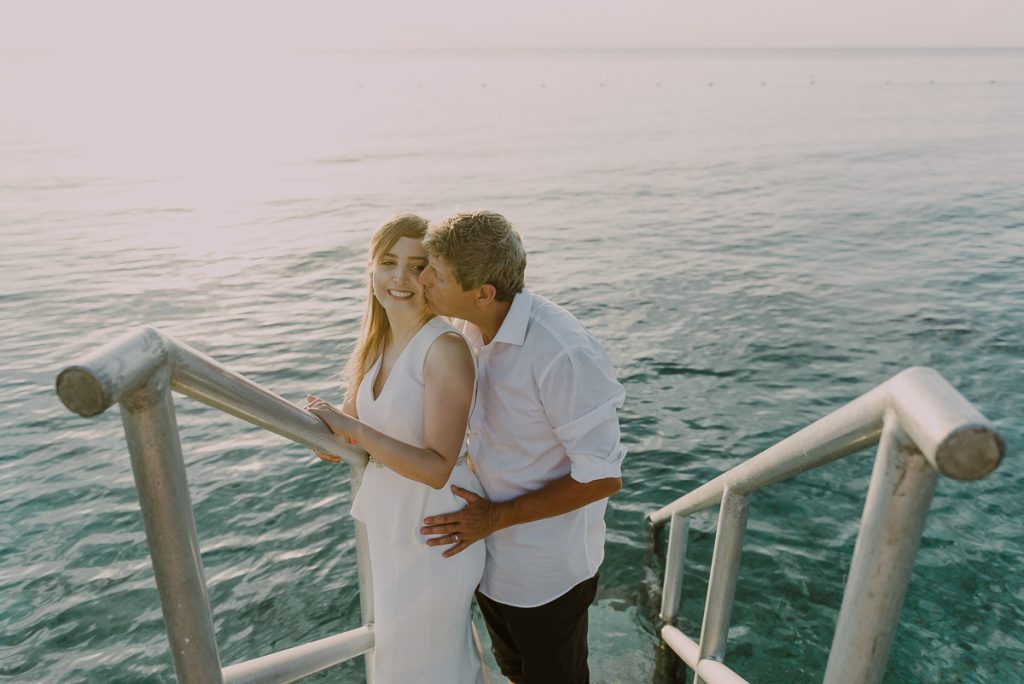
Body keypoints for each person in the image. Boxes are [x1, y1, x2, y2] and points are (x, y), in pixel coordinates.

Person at [417, 211, 626, 684]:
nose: (422, 278)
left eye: (437, 274)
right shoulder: (470, 327)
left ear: (483, 293)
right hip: (488, 557)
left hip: (545, 571)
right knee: (514, 669)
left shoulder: (560, 352)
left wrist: (494, 518)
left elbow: (603, 476)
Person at [305, 214, 485, 684]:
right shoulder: (378, 341)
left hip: (434, 530)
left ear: (434, 276)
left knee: (423, 665)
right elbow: (356, 422)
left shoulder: (445, 348)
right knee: (410, 662)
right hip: (394, 524)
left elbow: (437, 467)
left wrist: (354, 431)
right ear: (372, 269)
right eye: (388, 262)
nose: (401, 278)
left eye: (417, 265)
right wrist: (333, 435)